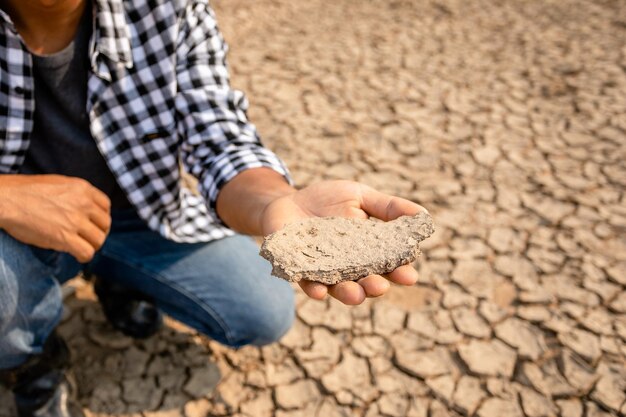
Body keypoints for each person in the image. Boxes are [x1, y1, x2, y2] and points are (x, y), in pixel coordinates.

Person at [0, 0, 428, 416]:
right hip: (15, 231)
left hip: (142, 214)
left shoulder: (168, 9)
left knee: (262, 306)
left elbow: (218, 139)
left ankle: (119, 273)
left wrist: (274, 203)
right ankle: (30, 363)